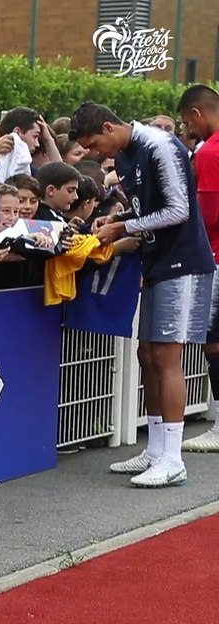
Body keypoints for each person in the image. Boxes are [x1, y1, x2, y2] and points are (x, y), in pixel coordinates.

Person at [73, 101, 216, 487]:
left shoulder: (160, 146)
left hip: (184, 263)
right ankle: (155, 450)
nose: (95, 154)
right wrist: (118, 219)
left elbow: (179, 210)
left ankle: (173, 457)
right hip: (156, 262)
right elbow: (146, 207)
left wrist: (124, 228)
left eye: (94, 144)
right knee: (148, 353)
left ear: (108, 126)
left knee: (167, 356)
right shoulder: (127, 155)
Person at [177, 84, 219, 452]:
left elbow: (207, 215)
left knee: (215, 343)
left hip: (217, 259)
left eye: (185, 123)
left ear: (195, 114)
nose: (186, 132)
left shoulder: (209, 153)